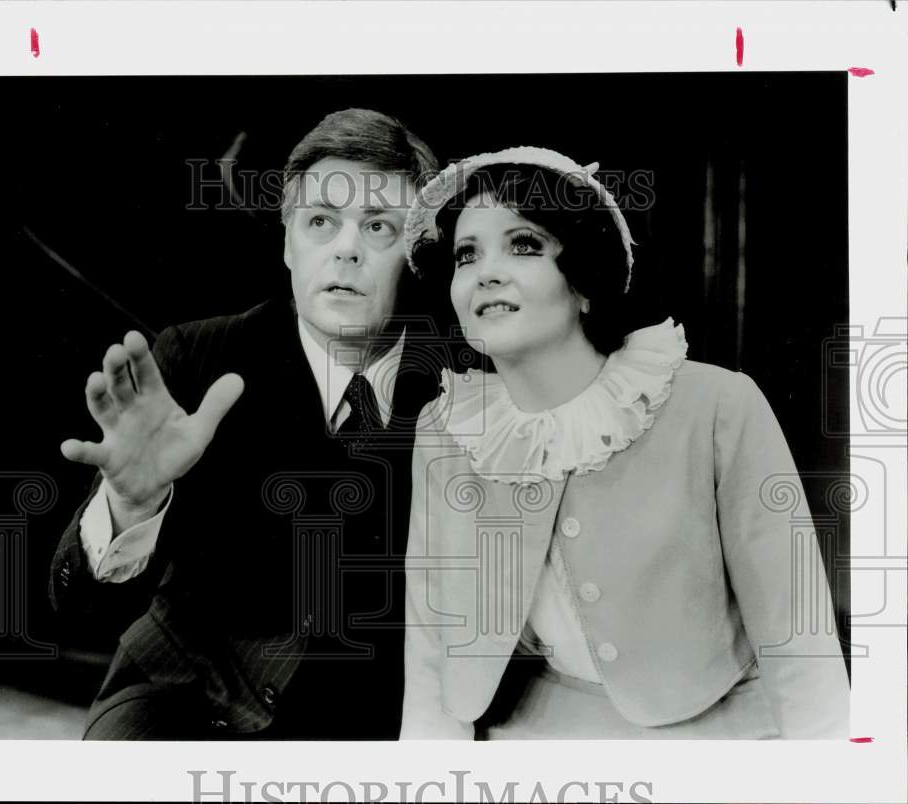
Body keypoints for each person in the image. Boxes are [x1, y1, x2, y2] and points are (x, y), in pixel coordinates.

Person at [399, 147, 850, 739]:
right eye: (467, 253)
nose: (487, 271)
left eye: (524, 244)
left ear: (583, 281)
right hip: (533, 741)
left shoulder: (717, 404)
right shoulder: (447, 430)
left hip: (719, 738)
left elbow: (801, 642)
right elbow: (434, 643)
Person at [49, 108, 443, 739]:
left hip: (386, 719)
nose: (346, 247)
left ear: (418, 252)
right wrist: (130, 504)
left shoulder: (468, 377)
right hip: (189, 695)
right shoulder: (197, 357)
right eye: (321, 222)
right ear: (287, 241)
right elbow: (79, 610)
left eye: (378, 226)